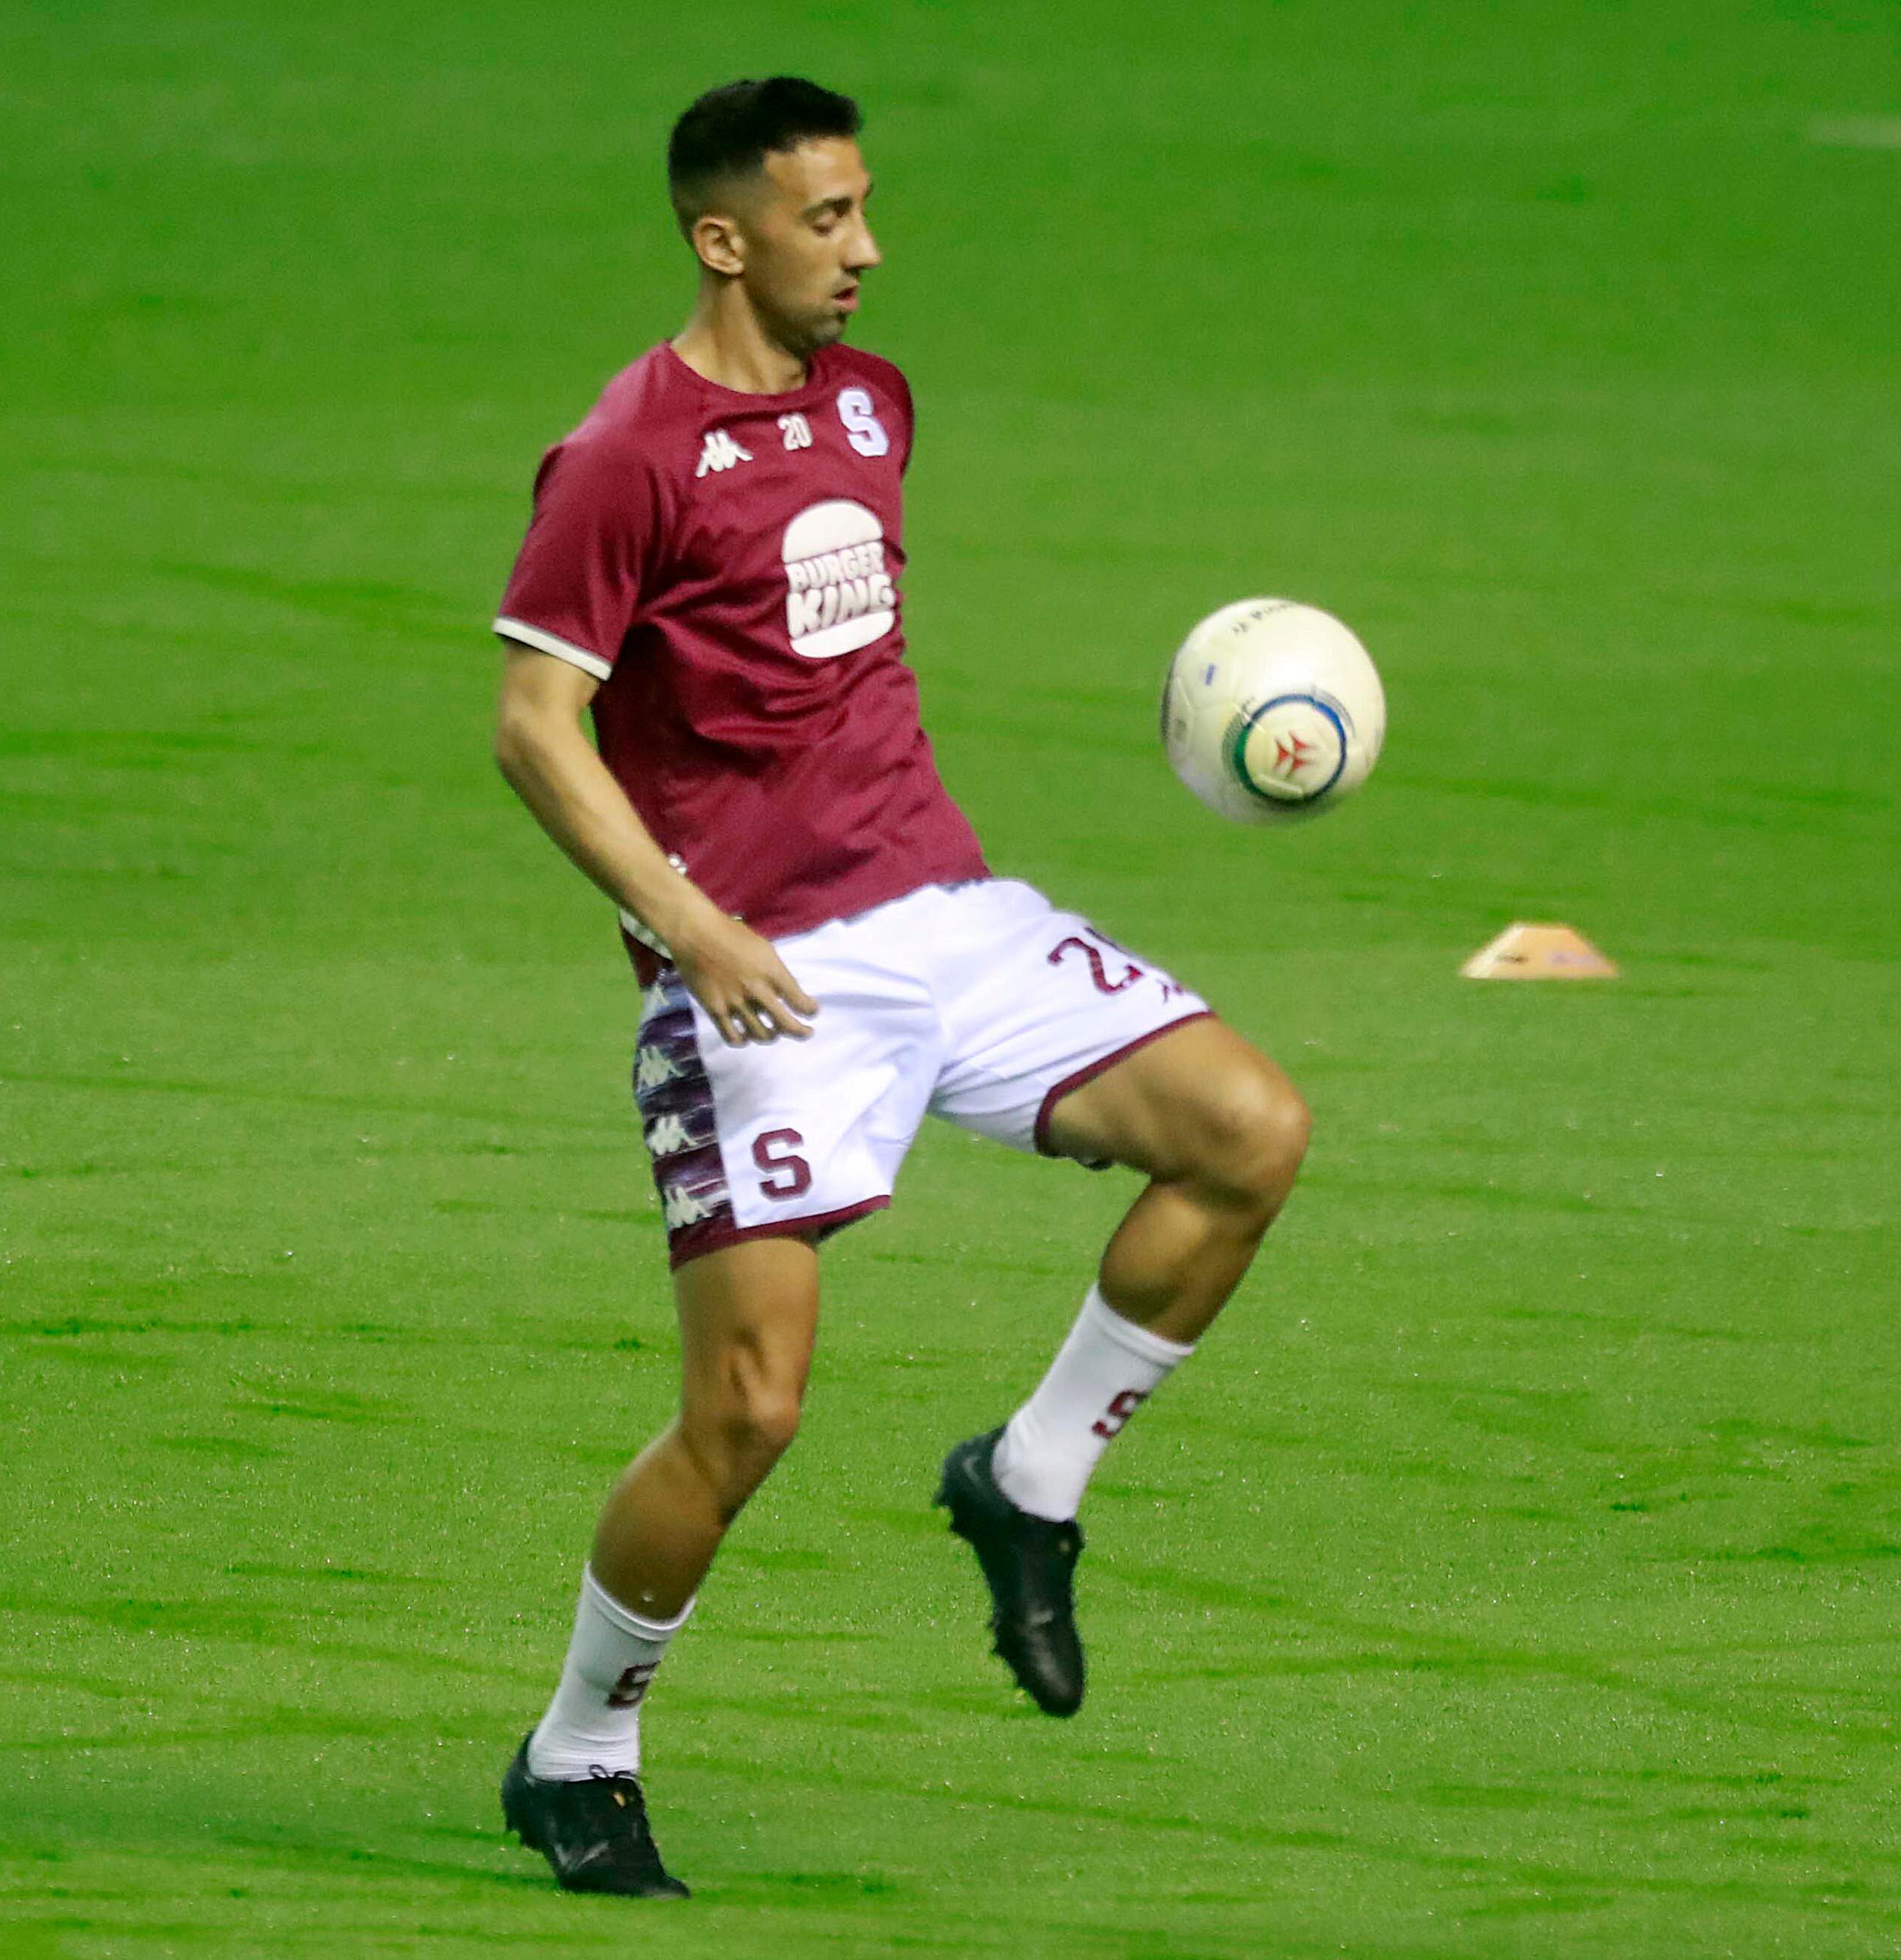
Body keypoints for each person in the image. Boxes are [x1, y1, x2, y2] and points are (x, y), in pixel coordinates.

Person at [483, 77, 1311, 1899]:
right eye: (828, 220)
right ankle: (579, 1751)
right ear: (727, 239)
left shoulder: (874, 405)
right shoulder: (621, 455)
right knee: (749, 1414)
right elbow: (537, 728)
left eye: (864, 211)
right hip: (761, 979)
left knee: (1249, 1132)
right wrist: (688, 929)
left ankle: (1028, 1479)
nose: (867, 251)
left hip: (948, 913)